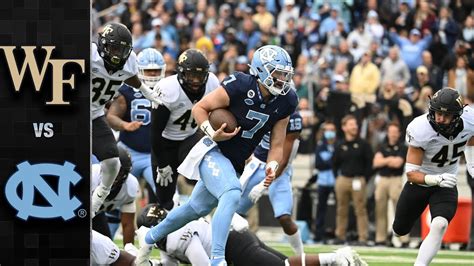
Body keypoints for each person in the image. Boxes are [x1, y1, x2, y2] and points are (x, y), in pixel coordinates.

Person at [138, 45, 299, 266]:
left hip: (235, 161)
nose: (282, 79)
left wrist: (271, 164)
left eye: (284, 74)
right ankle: (217, 260)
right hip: (212, 150)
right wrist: (212, 133)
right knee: (232, 192)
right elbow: (200, 109)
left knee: (195, 209)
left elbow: (278, 143)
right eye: (277, 73)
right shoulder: (241, 84)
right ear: (262, 71)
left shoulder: (287, 100)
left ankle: (148, 238)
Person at [134, 203, 367, 266]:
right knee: (282, 263)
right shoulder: (171, 237)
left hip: (236, 246)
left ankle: (337, 258)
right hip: (238, 238)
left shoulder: (176, 238)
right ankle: (333, 261)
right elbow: (169, 261)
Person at [393, 87, 474, 265]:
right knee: (399, 230)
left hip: (446, 184)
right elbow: (411, 174)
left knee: (439, 225)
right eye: (437, 112)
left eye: (445, 115)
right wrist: (435, 179)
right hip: (421, 182)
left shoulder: (470, 119)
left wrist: (471, 163)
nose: (439, 118)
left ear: (458, 115)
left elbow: (471, 138)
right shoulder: (420, 128)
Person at [91, 22, 160, 216]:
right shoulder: (90, 54)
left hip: (95, 114)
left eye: (122, 50)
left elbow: (130, 76)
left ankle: (100, 195)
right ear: (103, 45)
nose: (116, 54)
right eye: (113, 48)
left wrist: (147, 92)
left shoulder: (129, 61)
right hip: (72, 113)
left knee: (113, 161)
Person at [150, 48, 220, 210]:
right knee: (164, 199)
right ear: (181, 73)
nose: (196, 80)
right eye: (191, 75)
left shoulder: (212, 83)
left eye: (200, 75)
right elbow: (155, 131)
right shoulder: (168, 89)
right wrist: (162, 164)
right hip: (165, 142)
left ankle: (205, 214)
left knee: (204, 176)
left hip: (190, 138)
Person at [236, 110, 304, 255]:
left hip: (280, 170)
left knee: (284, 217)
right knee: (232, 210)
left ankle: (301, 256)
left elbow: (284, 160)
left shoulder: (293, 118)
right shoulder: (263, 107)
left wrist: (262, 186)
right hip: (257, 164)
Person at [106, 48, 166, 202]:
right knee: (115, 195)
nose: (152, 74)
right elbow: (111, 117)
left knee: (166, 195)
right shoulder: (127, 90)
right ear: (139, 70)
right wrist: (125, 125)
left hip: (154, 155)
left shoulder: (169, 90)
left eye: (156, 70)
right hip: (129, 152)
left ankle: (156, 224)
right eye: (148, 70)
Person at [333, 115, 373, 245]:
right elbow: (334, 163)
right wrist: (338, 177)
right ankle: (340, 236)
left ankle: (363, 237)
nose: (354, 126)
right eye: (351, 124)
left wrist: (364, 179)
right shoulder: (340, 144)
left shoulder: (363, 144)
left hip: (358, 180)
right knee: (341, 209)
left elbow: (369, 163)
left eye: (355, 124)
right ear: (344, 127)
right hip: (343, 179)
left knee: (360, 209)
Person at [91, 147, 139, 246]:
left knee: (107, 247)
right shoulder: (92, 175)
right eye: (112, 169)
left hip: (97, 215)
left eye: (119, 171)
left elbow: (127, 224)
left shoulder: (130, 186)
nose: (114, 175)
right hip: (76, 213)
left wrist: (130, 251)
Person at [372, 123, 408, 246]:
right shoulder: (381, 146)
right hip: (382, 180)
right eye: (391, 131)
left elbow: (398, 163)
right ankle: (380, 238)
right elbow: (376, 162)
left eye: (395, 132)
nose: (393, 134)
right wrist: (389, 160)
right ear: (387, 133)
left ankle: (404, 239)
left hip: (395, 179)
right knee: (380, 209)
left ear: (399, 134)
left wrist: (384, 160)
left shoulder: (403, 147)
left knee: (399, 210)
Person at [314, 121, 337, 243]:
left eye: (332, 129)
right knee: (320, 209)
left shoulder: (338, 145)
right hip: (323, 181)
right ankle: (318, 234)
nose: (330, 132)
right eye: (327, 130)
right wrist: (332, 161)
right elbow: (318, 164)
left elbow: (338, 162)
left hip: (335, 180)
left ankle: (337, 233)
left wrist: (330, 162)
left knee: (339, 208)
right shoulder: (320, 145)